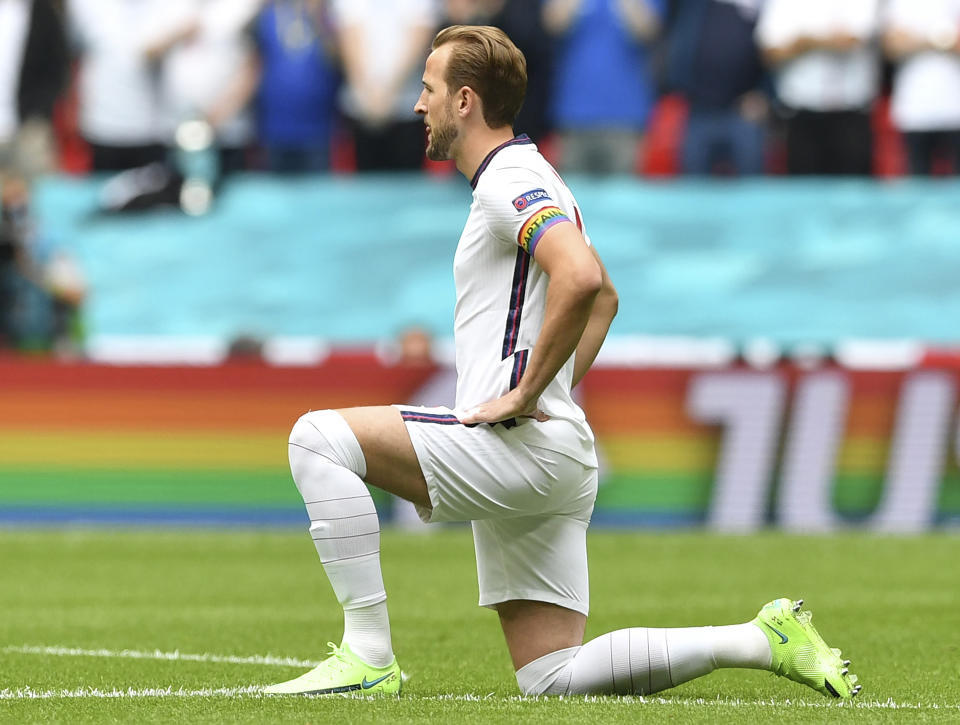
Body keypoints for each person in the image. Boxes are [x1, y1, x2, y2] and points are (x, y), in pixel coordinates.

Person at [262, 25, 862, 700]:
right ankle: (760, 638)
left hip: (518, 443)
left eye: (427, 90)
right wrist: (550, 392)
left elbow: (579, 277)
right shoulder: (531, 173)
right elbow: (604, 292)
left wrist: (524, 395)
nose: (416, 105)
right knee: (551, 675)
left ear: (464, 101)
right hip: (550, 450)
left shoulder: (506, 180)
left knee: (316, 438)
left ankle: (368, 655)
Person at [755, 0, 882, 176]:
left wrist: (803, 42)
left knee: (854, 196)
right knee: (804, 194)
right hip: (800, 116)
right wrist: (826, 39)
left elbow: (850, 41)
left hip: (851, 115)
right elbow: (770, 52)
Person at [544, 0, 663, 175]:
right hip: (573, 114)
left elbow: (647, 30)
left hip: (625, 117)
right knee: (570, 198)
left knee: (625, 197)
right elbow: (553, 22)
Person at [665, 0, 768, 176]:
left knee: (753, 190)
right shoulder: (692, 6)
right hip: (698, 111)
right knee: (691, 192)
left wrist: (765, 93)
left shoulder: (758, 5)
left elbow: (773, 44)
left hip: (742, 111)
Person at [883, 0, 960, 176]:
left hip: (956, 106)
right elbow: (892, 46)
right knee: (916, 183)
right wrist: (939, 41)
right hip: (915, 109)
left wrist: (918, 41)